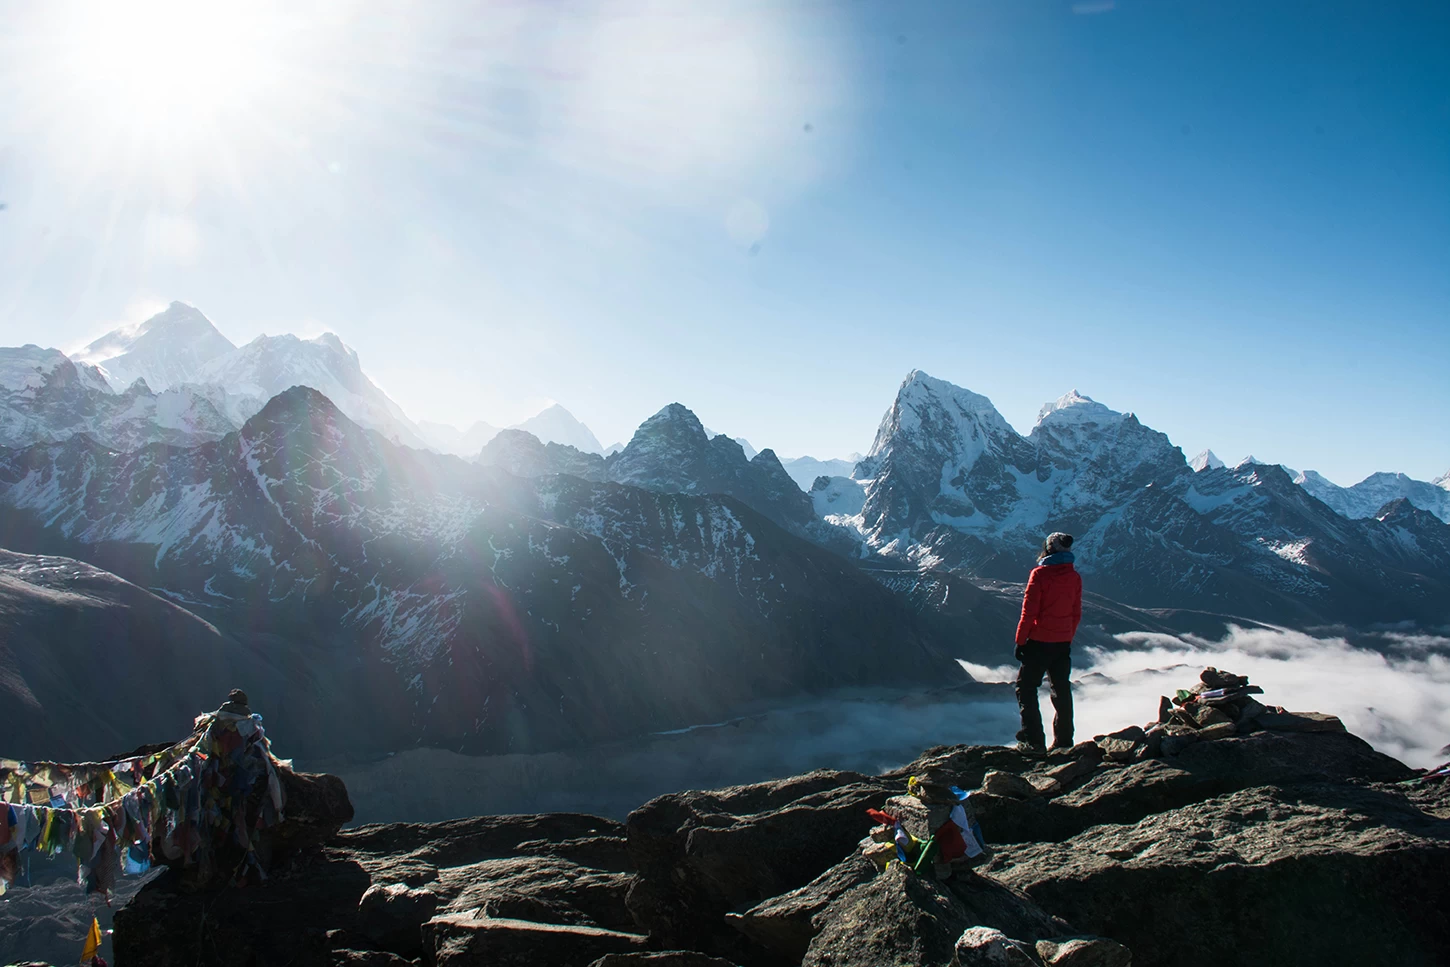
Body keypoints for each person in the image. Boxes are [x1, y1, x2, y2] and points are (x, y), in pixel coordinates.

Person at [1013, 532, 1082, 754]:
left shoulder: (1040, 575)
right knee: (1061, 689)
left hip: (1039, 641)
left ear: (1049, 549)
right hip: (1062, 642)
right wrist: (1067, 636)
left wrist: (1021, 640)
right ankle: (1064, 741)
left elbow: (1029, 611)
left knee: (1026, 688)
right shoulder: (1074, 577)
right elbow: (1075, 613)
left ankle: (1033, 741)